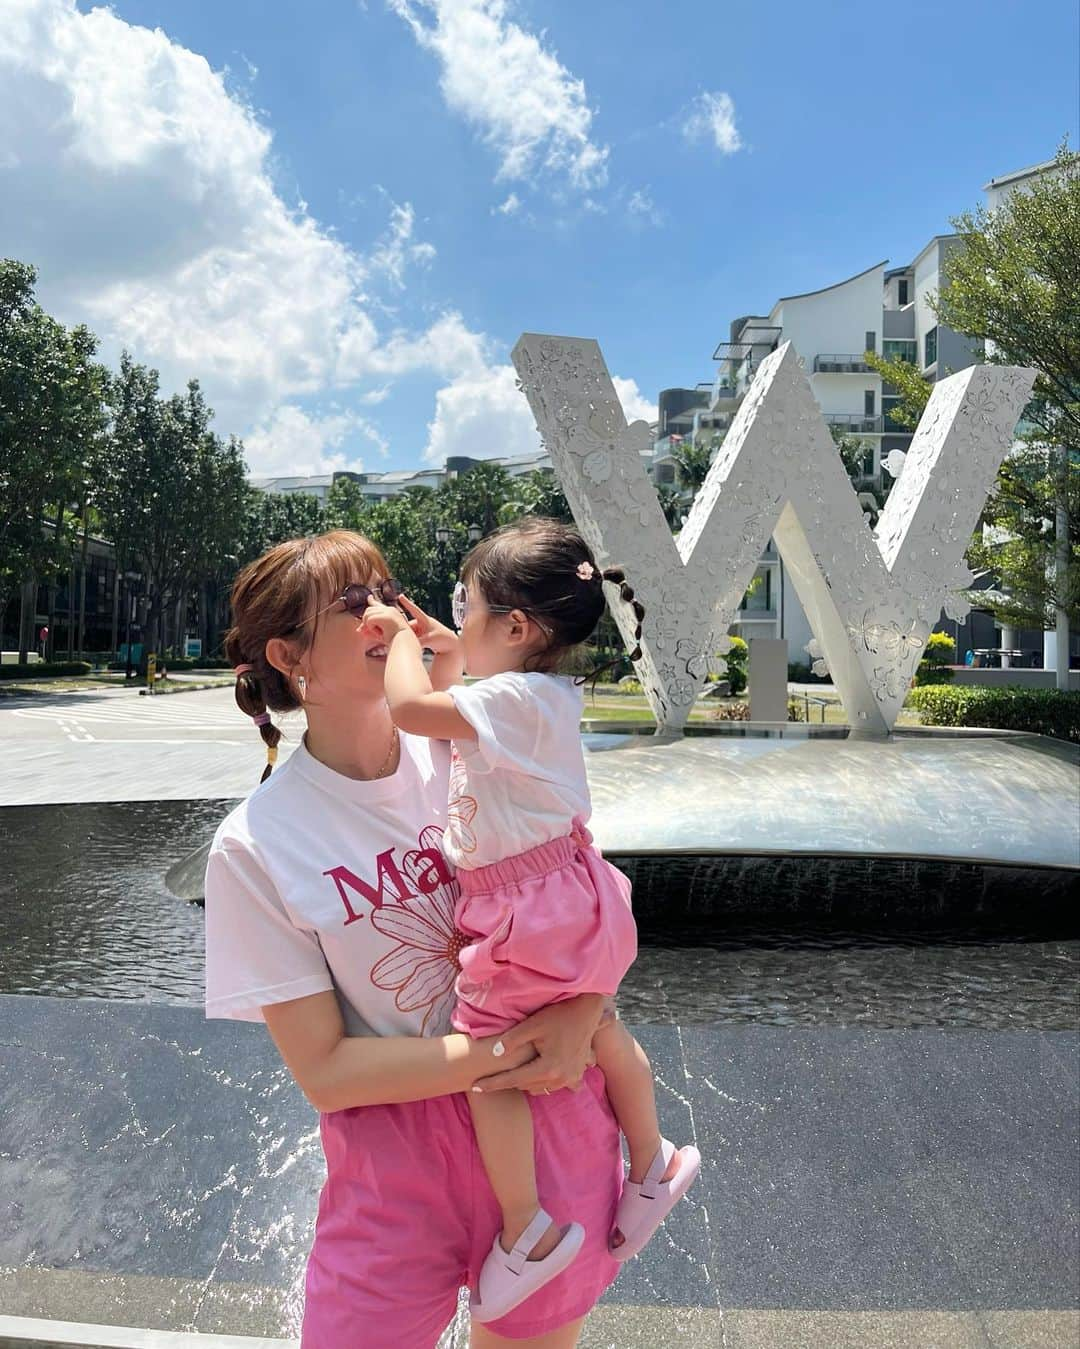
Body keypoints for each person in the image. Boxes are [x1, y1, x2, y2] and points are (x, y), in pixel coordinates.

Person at [203, 530, 625, 1349]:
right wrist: (511, 1052)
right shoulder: (257, 844)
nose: (382, 611)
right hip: (395, 1163)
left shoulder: (468, 751)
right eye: (351, 602)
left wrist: (589, 1009)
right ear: (291, 656)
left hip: (545, 1128)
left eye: (383, 588)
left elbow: (580, 897)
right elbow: (324, 1070)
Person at [363, 517, 701, 1324]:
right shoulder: (534, 693)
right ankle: (651, 1163)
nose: (454, 620)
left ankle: (529, 1232)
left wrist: (395, 641)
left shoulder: (513, 698)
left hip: (526, 908)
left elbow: (412, 707)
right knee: (603, 1026)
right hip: (568, 890)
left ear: (515, 627)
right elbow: (457, 693)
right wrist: (448, 641)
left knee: (487, 1063)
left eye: (464, 602)